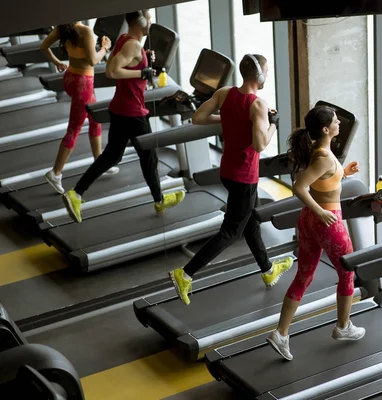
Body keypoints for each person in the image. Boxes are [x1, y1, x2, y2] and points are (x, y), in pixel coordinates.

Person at [168, 54, 294, 305]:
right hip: (245, 177)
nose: (267, 76)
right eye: (266, 72)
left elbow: (198, 118)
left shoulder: (225, 93)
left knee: (251, 222)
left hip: (227, 171)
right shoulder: (258, 105)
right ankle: (185, 273)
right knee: (232, 230)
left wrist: (230, 119)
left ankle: (268, 271)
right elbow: (260, 144)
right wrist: (273, 124)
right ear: (259, 76)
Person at [62, 10, 185, 223]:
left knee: (112, 155)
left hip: (120, 108)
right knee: (149, 158)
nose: (151, 20)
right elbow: (111, 71)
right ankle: (159, 200)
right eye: (148, 16)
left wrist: (143, 58)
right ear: (140, 21)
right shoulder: (132, 45)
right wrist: (141, 72)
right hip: (132, 112)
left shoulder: (126, 40)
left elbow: (123, 61)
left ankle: (76, 193)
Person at [266, 105, 365, 361]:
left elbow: (324, 180)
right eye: (335, 121)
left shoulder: (320, 153)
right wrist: (321, 212)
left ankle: (281, 333)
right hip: (326, 222)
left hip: (308, 222)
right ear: (325, 129)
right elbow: (300, 187)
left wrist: (344, 173)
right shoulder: (323, 157)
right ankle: (343, 327)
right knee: (347, 272)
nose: (339, 124)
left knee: (304, 275)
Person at [40, 22, 117, 194]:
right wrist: (105, 48)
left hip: (70, 78)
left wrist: (57, 61)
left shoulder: (62, 28)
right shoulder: (86, 31)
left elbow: (43, 46)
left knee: (95, 118)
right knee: (74, 129)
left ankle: (99, 161)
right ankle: (55, 173)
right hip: (83, 84)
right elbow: (92, 60)